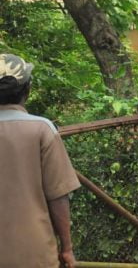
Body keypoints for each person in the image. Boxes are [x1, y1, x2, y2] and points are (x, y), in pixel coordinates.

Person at [0, 54, 80, 268]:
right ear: (27, 90)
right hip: (34, 253)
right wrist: (67, 248)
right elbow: (58, 196)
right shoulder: (42, 129)